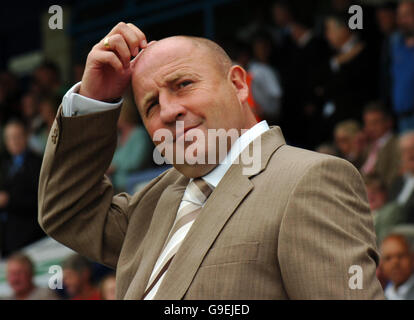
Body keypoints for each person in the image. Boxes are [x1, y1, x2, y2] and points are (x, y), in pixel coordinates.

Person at [38, 22, 383, 299]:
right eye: (151, 105)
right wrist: (95, 100)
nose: (169, 110)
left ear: (237, 84)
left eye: (183, 84)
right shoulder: (153, 203)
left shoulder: (309, 179)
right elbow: (67, 210)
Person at [0, 120, 44, 257]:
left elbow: (40, 200)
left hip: (31, 236)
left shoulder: (37, 163)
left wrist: (9, 200)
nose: (14, 141)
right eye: (9, 138)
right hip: (6, 237)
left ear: (26, 137)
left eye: (17, 136)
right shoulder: (4, 165)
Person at [360, 103, 401, 191]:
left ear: (389, 122)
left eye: (375, 123)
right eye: (367, 123)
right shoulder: (368, 146)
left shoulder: (398, 145)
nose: (370, 128)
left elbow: (394, 178)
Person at [389, 1, 414, 132]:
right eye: (400, 16)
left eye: (407, 15)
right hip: (401, 117)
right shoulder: (396, 43)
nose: (402, 21)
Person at [380, 234, 414, 299]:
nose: (395, 263)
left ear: (412, 258)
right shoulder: (384, 293)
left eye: (400, 256)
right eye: (388, 258)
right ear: (382, 264)